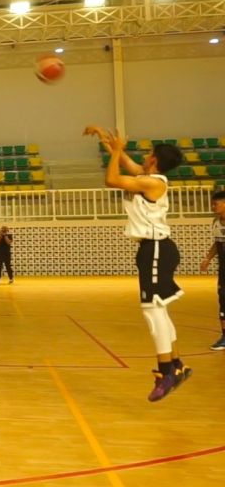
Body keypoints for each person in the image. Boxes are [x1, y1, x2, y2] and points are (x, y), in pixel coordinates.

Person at [84, 125, 191, 402]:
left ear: (154, 159)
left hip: (156, 249)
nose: (143, 156)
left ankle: (166, 373)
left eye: (148, 153)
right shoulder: (148, 177)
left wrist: (117, 150)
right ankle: (177, 365)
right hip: (154, 249)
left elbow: (111, 179)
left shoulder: (153, 183)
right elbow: (126, 163)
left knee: (152, 312)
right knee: (159, 310)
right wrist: (107, 141)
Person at [200, 190, 225, 350]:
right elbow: (217, 243)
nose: (213, 207)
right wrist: (207, 258)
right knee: (223, 302)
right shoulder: (216, 222)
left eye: (216, 204)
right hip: (223, 271)